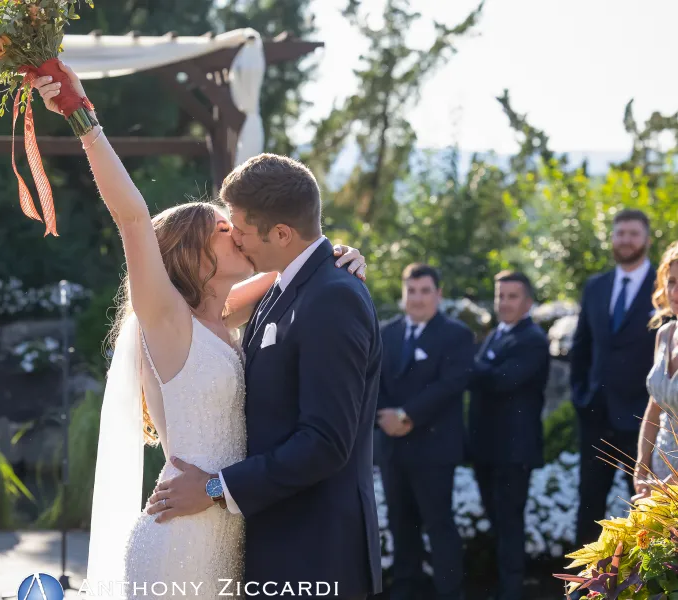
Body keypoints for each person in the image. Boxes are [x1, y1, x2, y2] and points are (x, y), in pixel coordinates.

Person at [33, 67, 371, 599]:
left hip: (230, 530)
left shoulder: (229, 314)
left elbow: (298, 263)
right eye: (223, 230)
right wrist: (84, 120)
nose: (236, 234)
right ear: (191, 251)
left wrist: (338, 253)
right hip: (181, 536)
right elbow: (133, 219)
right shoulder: (168, 320)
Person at [376, 263, 474, 600]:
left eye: (425, 291)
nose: (417, 298)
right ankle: (404, 591)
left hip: (434, 449)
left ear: (439, 294)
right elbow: (370, 381)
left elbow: (451, 384)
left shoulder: (457, 334)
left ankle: (450, 593)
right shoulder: (385, 333)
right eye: (411, 291)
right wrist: (384, 416)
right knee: (400, 526)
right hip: (391, 448)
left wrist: (407, 415)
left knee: (439, 526)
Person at [572, 209, 658, 546]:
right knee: (589, 505)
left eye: (633, 233)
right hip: (596, 416)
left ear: (647, 240)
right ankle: (582, 590)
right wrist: (581, 395)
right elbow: (581, 347)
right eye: (620, 233)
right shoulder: (596, 287)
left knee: (646, 510)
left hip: (644, 419)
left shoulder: (665, 289)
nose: (626, 240)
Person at [468, 271, 550, 600]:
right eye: (500, 296)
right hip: (487, 448)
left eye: (512, 296)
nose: (504, 303)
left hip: (514, 452)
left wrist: (468, 362)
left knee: (509, 523)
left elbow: (502, 380)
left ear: (528, 301)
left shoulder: (532, 339)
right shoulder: (496, 335)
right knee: (498, 522)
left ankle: (511, 593)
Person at [632, 240, 678, 497]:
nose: (675, 292)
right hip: (659, 475)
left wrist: (668, 487)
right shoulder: (665, 334)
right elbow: (653, 410)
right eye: (671, 281)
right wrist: (641, 469)